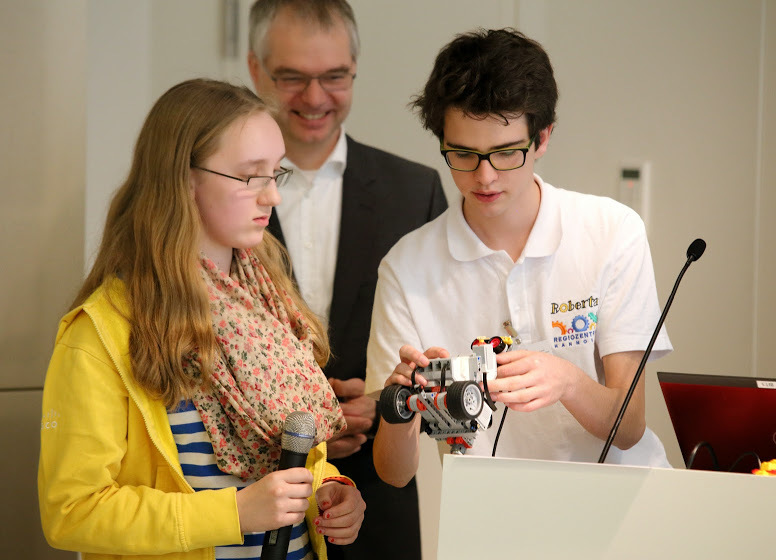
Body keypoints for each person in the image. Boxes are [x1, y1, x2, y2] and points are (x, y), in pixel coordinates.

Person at [38, 78, 365, 560]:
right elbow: (72, 512)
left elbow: (286, 460)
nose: (272, 197)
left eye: (276, 173)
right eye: (250, 176)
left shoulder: (268, 301)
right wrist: (234, 513)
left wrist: (330, 490)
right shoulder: (104, 333)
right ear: (184, 179)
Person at [366, 28, 673, 487]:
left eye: (505, 153)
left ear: (542, 137)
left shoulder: (611, 231)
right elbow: (394, 474)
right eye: (463, 154)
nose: (484, 177)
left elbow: (629, 428)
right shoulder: (406, 267)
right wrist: (402, 405)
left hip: (616, 503)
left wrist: (567, 381)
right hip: (488, 510)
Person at [247, 1, 447, 558]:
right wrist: (301, 421)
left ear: (355, 70)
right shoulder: (221, 194)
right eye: (292, 77)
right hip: (255, 497)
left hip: (380, 498)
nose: (315, 98)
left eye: (334, 76)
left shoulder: (415, 192)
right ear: (255, 69)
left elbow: (444, 350)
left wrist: (388, 405)